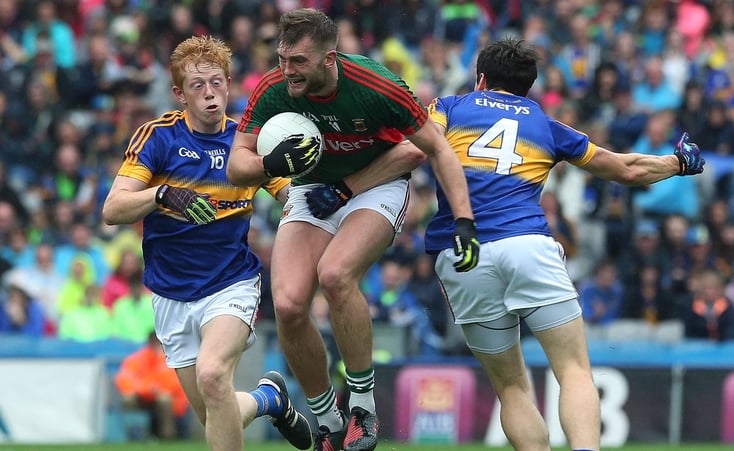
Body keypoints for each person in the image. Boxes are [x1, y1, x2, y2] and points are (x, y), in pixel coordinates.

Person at [424, 38, 705, 451]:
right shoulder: (547, 127)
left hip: (463, 253)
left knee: (511, 387)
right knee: (573, 370)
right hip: (527, 246)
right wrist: (678, 163)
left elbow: (415, 147)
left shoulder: (448, 108)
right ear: (528, 88)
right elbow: (625, 169)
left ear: (480, 79)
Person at [226, 8, 479, 451]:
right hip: (312, 189)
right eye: (283, 59)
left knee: (336, 275)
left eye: (298, 62)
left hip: (376, 188)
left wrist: (464, 219)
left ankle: (362, 407)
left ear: (330, 58)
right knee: (286, 304)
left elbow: (427, 149)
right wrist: (270, 164)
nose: (287, 71)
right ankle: (328, 420)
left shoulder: (375, 86)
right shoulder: (274, 89)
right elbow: (236, 166)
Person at [101, 35, 313, 451]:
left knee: (213, 376)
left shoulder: (247, 143)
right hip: (170, 293)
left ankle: (264, 398)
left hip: (230, 282)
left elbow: (292, 197)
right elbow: (113, 209)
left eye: (217, 82)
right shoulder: (157, 137)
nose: (210, 93)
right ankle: (268, 399)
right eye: (198, 86)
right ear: (179, 93)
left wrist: (312, 195)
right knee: (215, 410)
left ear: (229, 84)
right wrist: (161, 194)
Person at [114, 332, 191, 440]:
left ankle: (168, 436)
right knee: (127, 398)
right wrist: (148, 389)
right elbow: (124, 380)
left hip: (169, 398)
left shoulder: (172, 358)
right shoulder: (137, 359)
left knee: (164, 399)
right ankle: (135, 434)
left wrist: (158, 389)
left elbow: (176, 383)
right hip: (143, 397)